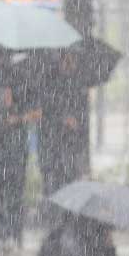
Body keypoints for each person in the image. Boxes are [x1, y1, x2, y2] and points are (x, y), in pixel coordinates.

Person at [0, 59, 37, 247]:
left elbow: (36, 112)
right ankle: (1, 235)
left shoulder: (22, 78)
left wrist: (17, 118)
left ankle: (11, 235)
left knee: (13, 196)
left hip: (13, 150)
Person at [38, 53, 89, 201]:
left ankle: (67, 217)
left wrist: (77, 123)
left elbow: (82, 115)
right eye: (66, 59)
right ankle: (55, 215)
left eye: (72, 59)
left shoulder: (78, 83)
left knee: (70, 182)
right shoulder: (50, 81)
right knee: (54, 183)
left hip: (70, 144)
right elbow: (45, 111)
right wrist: (62, 119)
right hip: (53, 144)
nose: (69, 62)